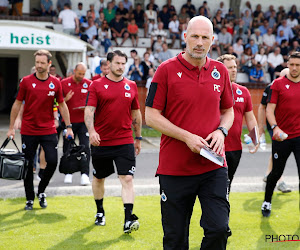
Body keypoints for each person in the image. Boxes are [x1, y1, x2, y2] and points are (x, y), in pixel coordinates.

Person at [145, 16, 234, 249]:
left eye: (205, 37)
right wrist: (187, 137)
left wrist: (222, 131)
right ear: (185, 37)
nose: (199, 42)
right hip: (175, 169)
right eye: (194, 36)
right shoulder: (165, 70)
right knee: (175, 239)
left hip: (213, 166)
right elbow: (151, 116)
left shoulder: (220, 71)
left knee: (219, 229)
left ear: (212, 40)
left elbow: (229, 111)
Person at [6, 49, 74, 210]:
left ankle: (41, 191)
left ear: (49, 64)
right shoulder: (26, 82)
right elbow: (17, 103)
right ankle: (29, 198)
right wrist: (11, 127)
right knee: (28, 165)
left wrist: (69, 126)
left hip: (49, 129)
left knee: (52, 161)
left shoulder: (56, 83)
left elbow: (62, 105)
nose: (39, 65)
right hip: (29, 130)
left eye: (42, 63)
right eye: (37, 62)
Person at [85, 50, 142, 233]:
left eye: (123, 63)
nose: (121, 67)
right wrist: (91, 131)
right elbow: (89, 111)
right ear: (108, 64)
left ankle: (128, 219)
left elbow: (136, 114)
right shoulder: (96, 85)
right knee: (99, 177)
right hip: (100, 141)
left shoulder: (131, 85)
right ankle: (100, 211)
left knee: (127, 178)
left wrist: (138, 137)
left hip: (124, 140)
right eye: (117, 63)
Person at [261, 52, 300, 217]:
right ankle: (267, 201)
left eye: (298, 65)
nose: (294, 68)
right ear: (287, 64)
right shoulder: (277, 84)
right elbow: (269, 110)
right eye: (291, 64)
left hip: (299, 138)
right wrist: (275, 127)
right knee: (276, 173)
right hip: (282, 137)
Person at [217, 54, 258, 192]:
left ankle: (223, 213)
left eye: (235, 67)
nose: (234, 70)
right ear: (221, 69)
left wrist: (255, 138)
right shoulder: (212, 90)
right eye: (229, 68)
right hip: (215, 148)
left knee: (227, 185)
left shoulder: (243, 92)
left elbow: (250, 118)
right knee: (214, 187)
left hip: (235, 149)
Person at [257, 69, 291, 194]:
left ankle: (268, 174)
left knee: (278, 151)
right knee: (279, 150)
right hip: (274, 125)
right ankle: (280, 181)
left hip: (289, 126)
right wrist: (261, 127)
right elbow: (262, 107)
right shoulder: (270, 88)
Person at [61, 63, 92, 185]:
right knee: (68, 148)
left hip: (84, 121)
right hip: (69, 122)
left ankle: (85, 174)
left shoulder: (88, 84)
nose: (81, 76)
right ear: (74, 71)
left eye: (83, 74)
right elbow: (56, 103)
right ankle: (68, 173)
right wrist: (66, 99)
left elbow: (93, 101)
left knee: (85, 147)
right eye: (79, 73)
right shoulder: (64, 83)